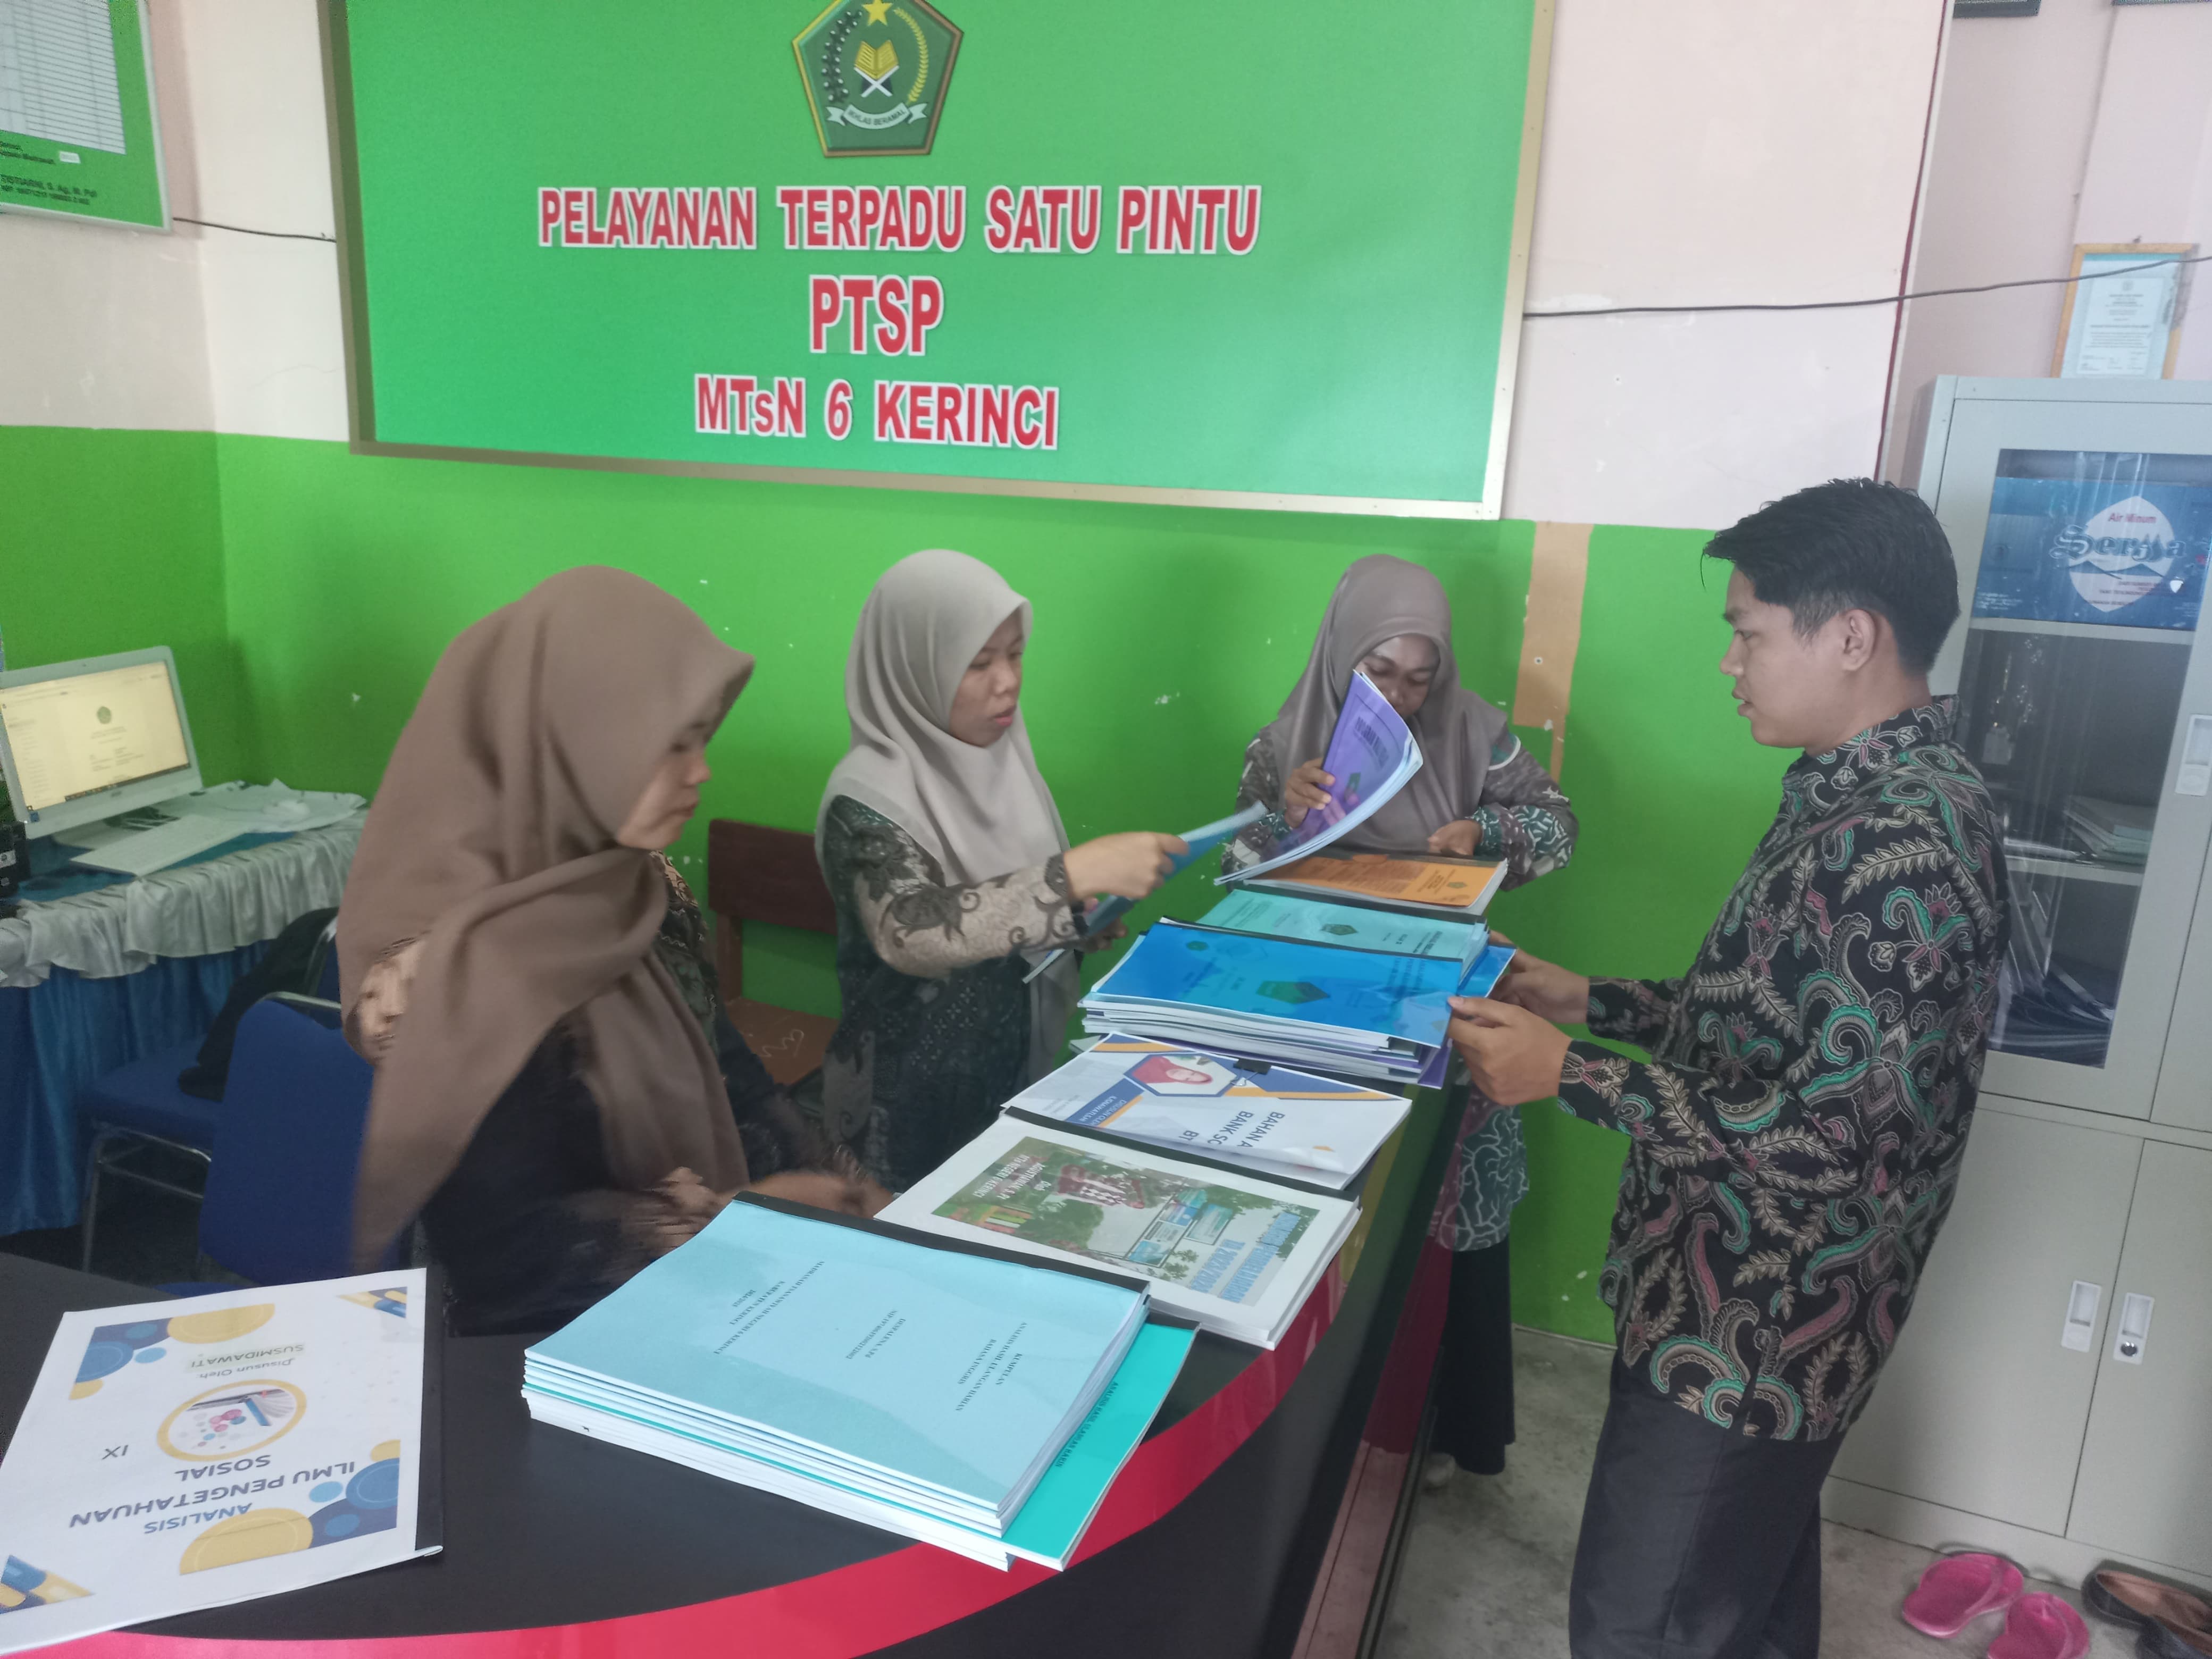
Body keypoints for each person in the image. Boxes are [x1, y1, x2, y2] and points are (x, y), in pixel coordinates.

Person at [1446, 480, 2009, 1659]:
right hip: (1729, 1298)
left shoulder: (1903, 842)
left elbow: (1840, 1141)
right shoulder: (1854, 791)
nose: (1729, 663)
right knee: (1740, 1601)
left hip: (1755, 1332)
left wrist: (1573, 1076)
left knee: (1644, 1624)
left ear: (1850, 636)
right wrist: (1582, 999)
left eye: (1748, 633)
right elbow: (1768, 1023)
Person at [337, 567, 866, 1335]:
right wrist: (722, 1226)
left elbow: (732, 1072)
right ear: (565, 742)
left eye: (701, 738)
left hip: (709, 1304)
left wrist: (842, 1191)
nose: (702, 770)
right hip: (558, 1349)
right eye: (668, 744)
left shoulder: (632, 889)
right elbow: (505, 1253)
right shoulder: (464, 970)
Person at [1225, 552, 1578, 1485]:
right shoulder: (1286, 745)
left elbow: (1559, 825)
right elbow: (1238, 874)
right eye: (1380, 671)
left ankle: (1436, 1430)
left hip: (1443, 1014)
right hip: (1325, 1015)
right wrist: (1285, 817)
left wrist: (1483, 834)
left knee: (1441, 1215)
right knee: (1336, 1213)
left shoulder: (1474, 732)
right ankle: (1333, 1426)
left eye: (1422, 676)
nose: (1402, 696)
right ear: (1342, 652)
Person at [816, 549, 1186, 1191]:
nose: (1007, 681)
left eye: (1015, 655)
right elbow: (909, 930)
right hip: (900, 1112)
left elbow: (1003, 906)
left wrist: (1070, 921)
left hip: (1005, 1079)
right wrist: (1066, 878)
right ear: (913, 668)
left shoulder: (1004, 763)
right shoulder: (866, 799)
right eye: (977, 663)